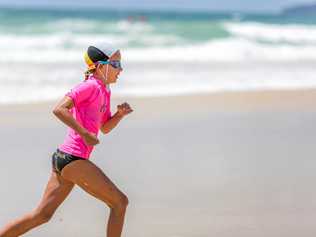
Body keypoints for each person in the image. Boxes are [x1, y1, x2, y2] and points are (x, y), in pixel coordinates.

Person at [0, 45, 133, 237]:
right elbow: (59, 109)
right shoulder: (89, 86)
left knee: (42, 215)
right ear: (99, 66)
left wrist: (119, 115)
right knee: (120, 202)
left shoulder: (104, 91)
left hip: (63, 159)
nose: (120, 69)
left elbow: (104, 128)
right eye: (115, 63)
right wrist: (85, 133)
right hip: (73, 159)